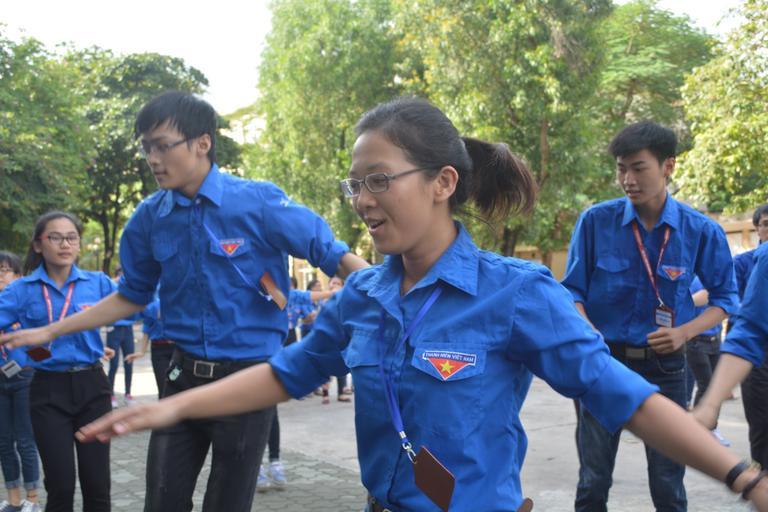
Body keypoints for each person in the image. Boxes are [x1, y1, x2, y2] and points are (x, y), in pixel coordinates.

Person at [67, 98, 768, 511]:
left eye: (379, 181)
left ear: (442, 183)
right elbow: (287, 373)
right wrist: (174, 407)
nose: (362, 201)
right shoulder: (363, 295)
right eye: (354, 185)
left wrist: (740, 475)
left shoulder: (516, 292)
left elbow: (627, 399)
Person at [0, 92, 367, 512]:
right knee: (161, 501)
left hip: (249, 380)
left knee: (226, 504)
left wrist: (389, 295)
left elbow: (334, 255)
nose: (153, 159)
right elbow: (131, 296)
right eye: (146, 148)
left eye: (162, 145)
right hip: (181, 375)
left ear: (202, 142)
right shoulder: (149, 219)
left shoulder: (259, 202)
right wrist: (51, 330)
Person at [562, 122, 739, 511]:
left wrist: (684, 333)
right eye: (621, 169)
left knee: (667, 482)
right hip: (603, 364)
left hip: (667, 367)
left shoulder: (699, 231)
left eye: (638, 168)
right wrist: (589, 332)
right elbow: (571, 291)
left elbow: (726, 299)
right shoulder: (595, 222)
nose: (628, 179)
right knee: (593, 479)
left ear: (668, 166)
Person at [0, 212, 117, 512]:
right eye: (55, 237)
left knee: (97, 485)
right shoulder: (21, 290)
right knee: (61, 485)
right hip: (48, 391)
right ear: (38, 245)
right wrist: (23, 354)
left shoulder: (98, 283)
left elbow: (138, 306)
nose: (65, 244)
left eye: (71, 237)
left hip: (93, 387)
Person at [694, 204, 768, 467]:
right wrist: (711, 404)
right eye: (765, 224)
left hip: (733, 342)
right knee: (761, 422)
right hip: (754, 353)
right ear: (757, 228)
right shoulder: (749, 262)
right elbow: (747, 325)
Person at [0, 252, 39, 512]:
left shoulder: (26, 305)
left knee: (25, 440)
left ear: (18, 275)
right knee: (3, 442)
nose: (0, 275)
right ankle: (13, 499)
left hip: (25, 376)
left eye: (4, 270)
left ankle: (32, 499)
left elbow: (42, 342)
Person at [125, 297, 173, 398]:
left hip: (177, 352)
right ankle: (164, 406)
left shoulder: (180, 304)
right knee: (163, 385)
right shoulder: (153, 306)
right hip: (159, 351)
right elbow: (147, 328)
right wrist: (142, 351)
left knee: (174, 380)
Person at [106, 268, 139, 408]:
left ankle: (128, 393)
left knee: (129, 362)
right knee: (113, 364)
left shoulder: (131, 287)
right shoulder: (111, 287)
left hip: (128, 329)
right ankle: (111, 394)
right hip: (114, 329)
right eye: (121, 275)